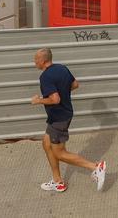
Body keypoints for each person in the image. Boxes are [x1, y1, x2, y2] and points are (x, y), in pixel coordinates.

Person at [31, 48, 106, 192]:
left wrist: (38, 101)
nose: (34, 62)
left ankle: (96, 167)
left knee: (59, 153)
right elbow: (75, 84)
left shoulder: (45, 77)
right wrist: (62, 90)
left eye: (36, 60)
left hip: (59, 118)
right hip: (62, 115)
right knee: (46, 144)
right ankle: (57, 181)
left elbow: (55, 99)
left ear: (43, 60)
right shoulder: (62, 68)